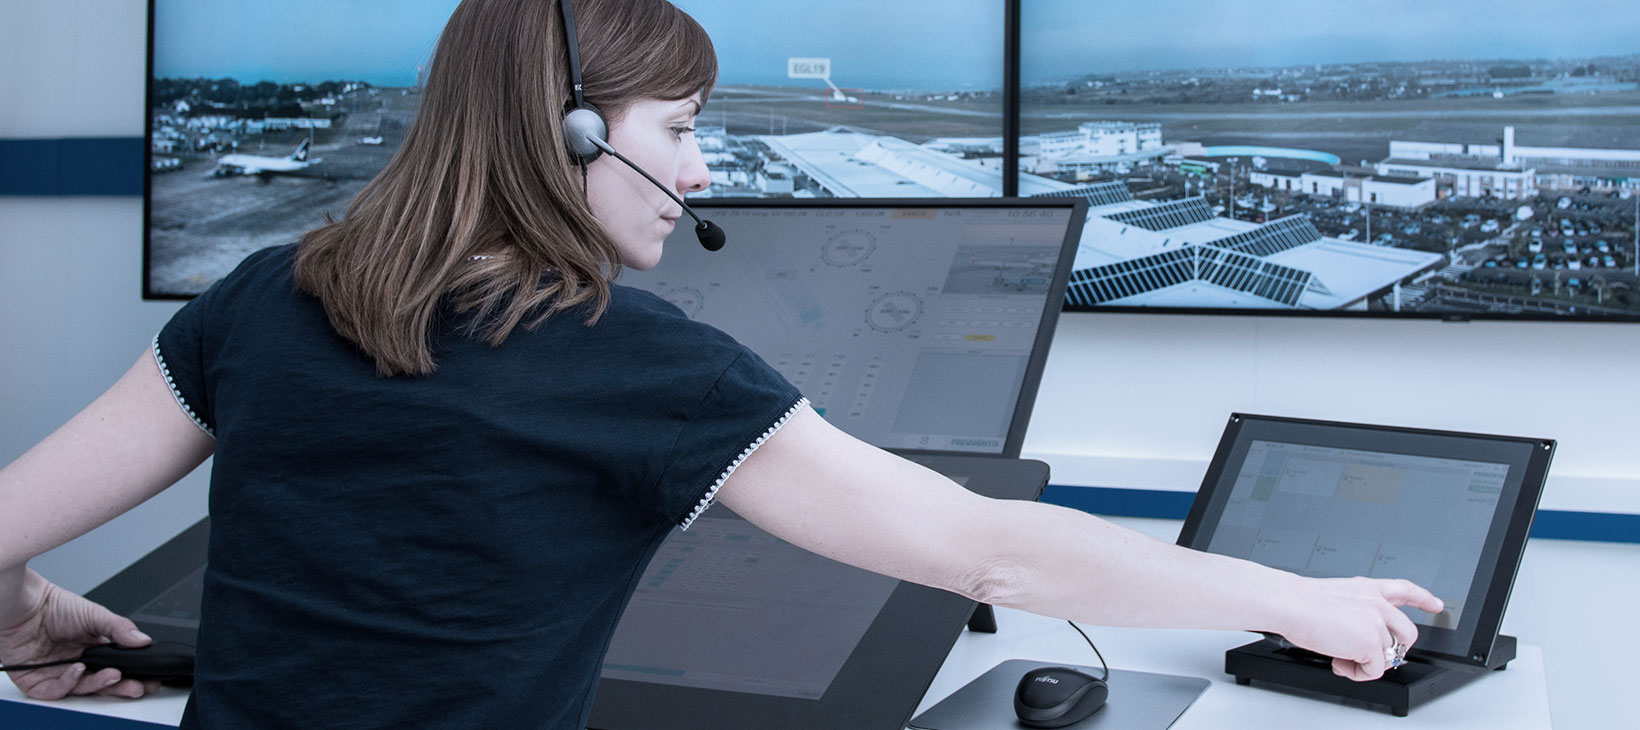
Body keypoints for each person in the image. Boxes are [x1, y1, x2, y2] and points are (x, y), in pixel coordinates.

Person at [0, 0, 1442, 727]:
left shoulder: (261, 298)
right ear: (573, 135)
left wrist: (24, 611)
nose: (700, 164)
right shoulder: (619, 356)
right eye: (679, 127)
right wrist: (1290, 594)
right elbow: (981, 548)